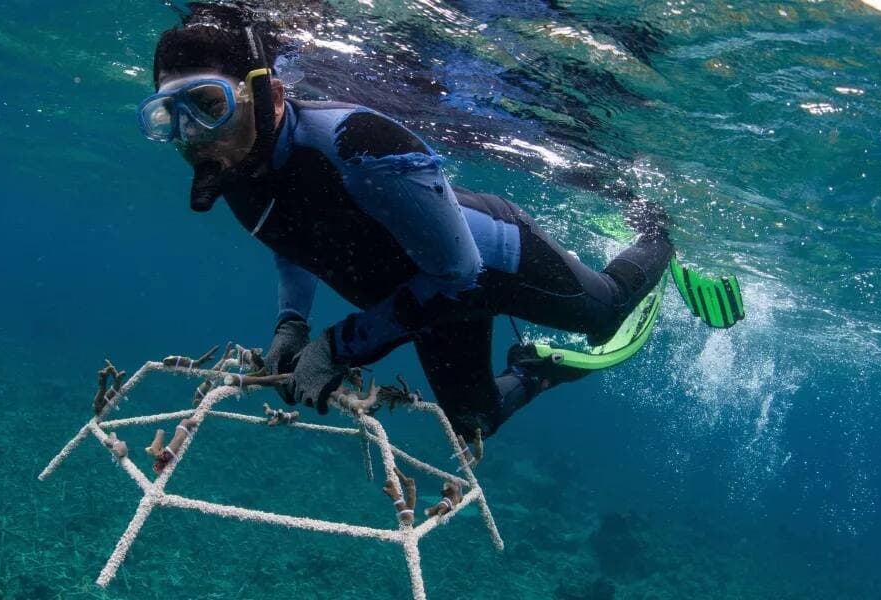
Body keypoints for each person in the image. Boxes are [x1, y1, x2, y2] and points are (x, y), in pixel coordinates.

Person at [138, 7, 673, 441]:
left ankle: (657, 233)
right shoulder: (236, 164)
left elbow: (458, 271)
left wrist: (338, 347)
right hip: (420, 301)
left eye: (208, 104)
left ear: (271, 95)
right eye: (169, 115)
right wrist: (291, 325)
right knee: (473, 424)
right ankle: (534, 368)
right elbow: (288, 241)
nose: (192, 134)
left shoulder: (358, 142)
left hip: (490, 262)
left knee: (605, 313)